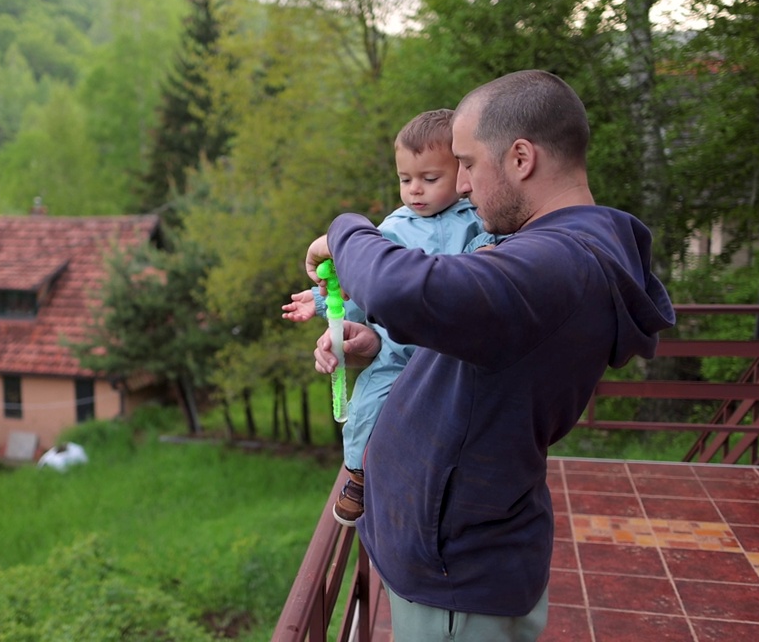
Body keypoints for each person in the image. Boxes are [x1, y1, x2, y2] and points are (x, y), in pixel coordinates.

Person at [303, 70, 674, 641]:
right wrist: (374, 344)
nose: (465, 184)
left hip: (460, 574)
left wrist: (344, 231)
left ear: (521, 157)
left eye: (469, 163)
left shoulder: (557, 262)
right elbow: (460, 351)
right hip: (457, 556)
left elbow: (404, 289)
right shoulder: (549, 255)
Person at [281, 109, 497, 527]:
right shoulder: (390, 229)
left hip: (450, 350)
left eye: (429, 179)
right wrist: (323, 300)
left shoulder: (476, 221)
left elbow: (481, 276)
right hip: (397, 347)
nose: (415, 190)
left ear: (461, 171)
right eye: (405, 180)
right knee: (366, 403)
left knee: (447, 424)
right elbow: (363, 285)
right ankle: (359, 474)